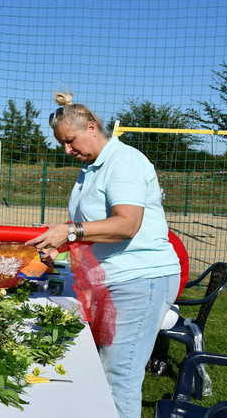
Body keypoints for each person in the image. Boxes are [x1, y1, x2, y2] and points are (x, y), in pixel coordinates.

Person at [25, 92, 180, 418]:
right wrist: (62, 241)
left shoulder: (124, 162)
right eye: (63, 144)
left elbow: (126, 224)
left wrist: (69, 232)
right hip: (115, 278)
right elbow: (93, 226)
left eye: (70, 141)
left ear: (92, 127)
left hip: (140, 279)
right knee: (101, 370)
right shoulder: (93, 167)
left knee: (118, 377)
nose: (67, 150)